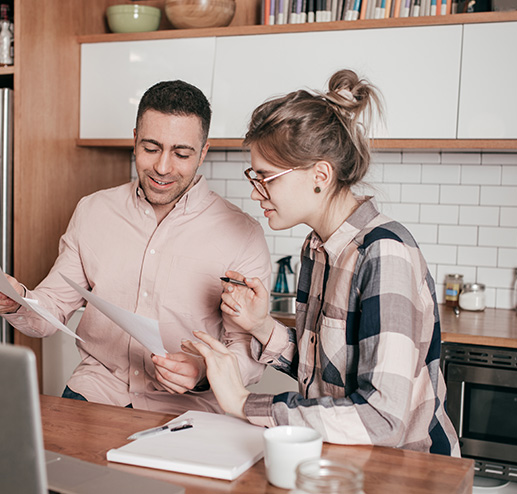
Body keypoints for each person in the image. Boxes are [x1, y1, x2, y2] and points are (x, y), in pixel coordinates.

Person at [184, 70, 460, 455]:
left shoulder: (384, 253)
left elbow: (383, 418)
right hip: (342, 460)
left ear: (320, 174)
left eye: (267, 177)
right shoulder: (317, 249)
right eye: (254, 176)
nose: (255, 192)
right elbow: (328, 372)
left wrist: (244, 402)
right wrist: (261, 326)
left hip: (405, 472)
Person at [0, 80, 272, 414]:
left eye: (181, 153)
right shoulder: (93, 211)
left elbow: (248, 352)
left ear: (203, 153)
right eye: (151, 148)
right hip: (97, 391)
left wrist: (204, 372)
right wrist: (16, 300)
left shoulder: (242, 234)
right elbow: (51, 310)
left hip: (188, 410)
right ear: (134, 140)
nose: (162, 167)